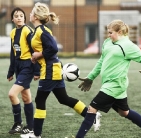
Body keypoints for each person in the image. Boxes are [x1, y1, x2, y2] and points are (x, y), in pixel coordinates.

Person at [21, 2, 101, 138]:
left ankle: (36, 134)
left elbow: (53, 48)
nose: (29, 14)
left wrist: (38, 55)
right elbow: (46, 50)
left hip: (51, 71)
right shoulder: (39, 31)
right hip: (54, 69)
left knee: (40, 99)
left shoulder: (42, 31)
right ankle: (92, 115)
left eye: (31, 12)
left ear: (35, 16)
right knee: (63, 99)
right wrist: (36, 57)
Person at [75, 19, 141, 138]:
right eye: (108, 32)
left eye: (111, 33)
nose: (108, 35)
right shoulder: (107, 42)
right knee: (124, 112)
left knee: (91, 109)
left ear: (119, 32)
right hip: (108, 84)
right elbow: (101, 61)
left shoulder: (128, 46)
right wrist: (90, 77)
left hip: (115, 85)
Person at [7, 7, 40, 135]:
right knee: (26, 97)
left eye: (21, 15)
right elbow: (13, 53)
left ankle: (18, 123)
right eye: (16, 16)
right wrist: (11, 71)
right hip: (18, 66)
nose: (19, 17)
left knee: (12, 94)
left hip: (28, 66)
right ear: (12, 19)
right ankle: (31, 126)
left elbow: (34, 50)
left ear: (25, 18)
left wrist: (36, 71)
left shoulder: (27, 30)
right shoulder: (13, 32)